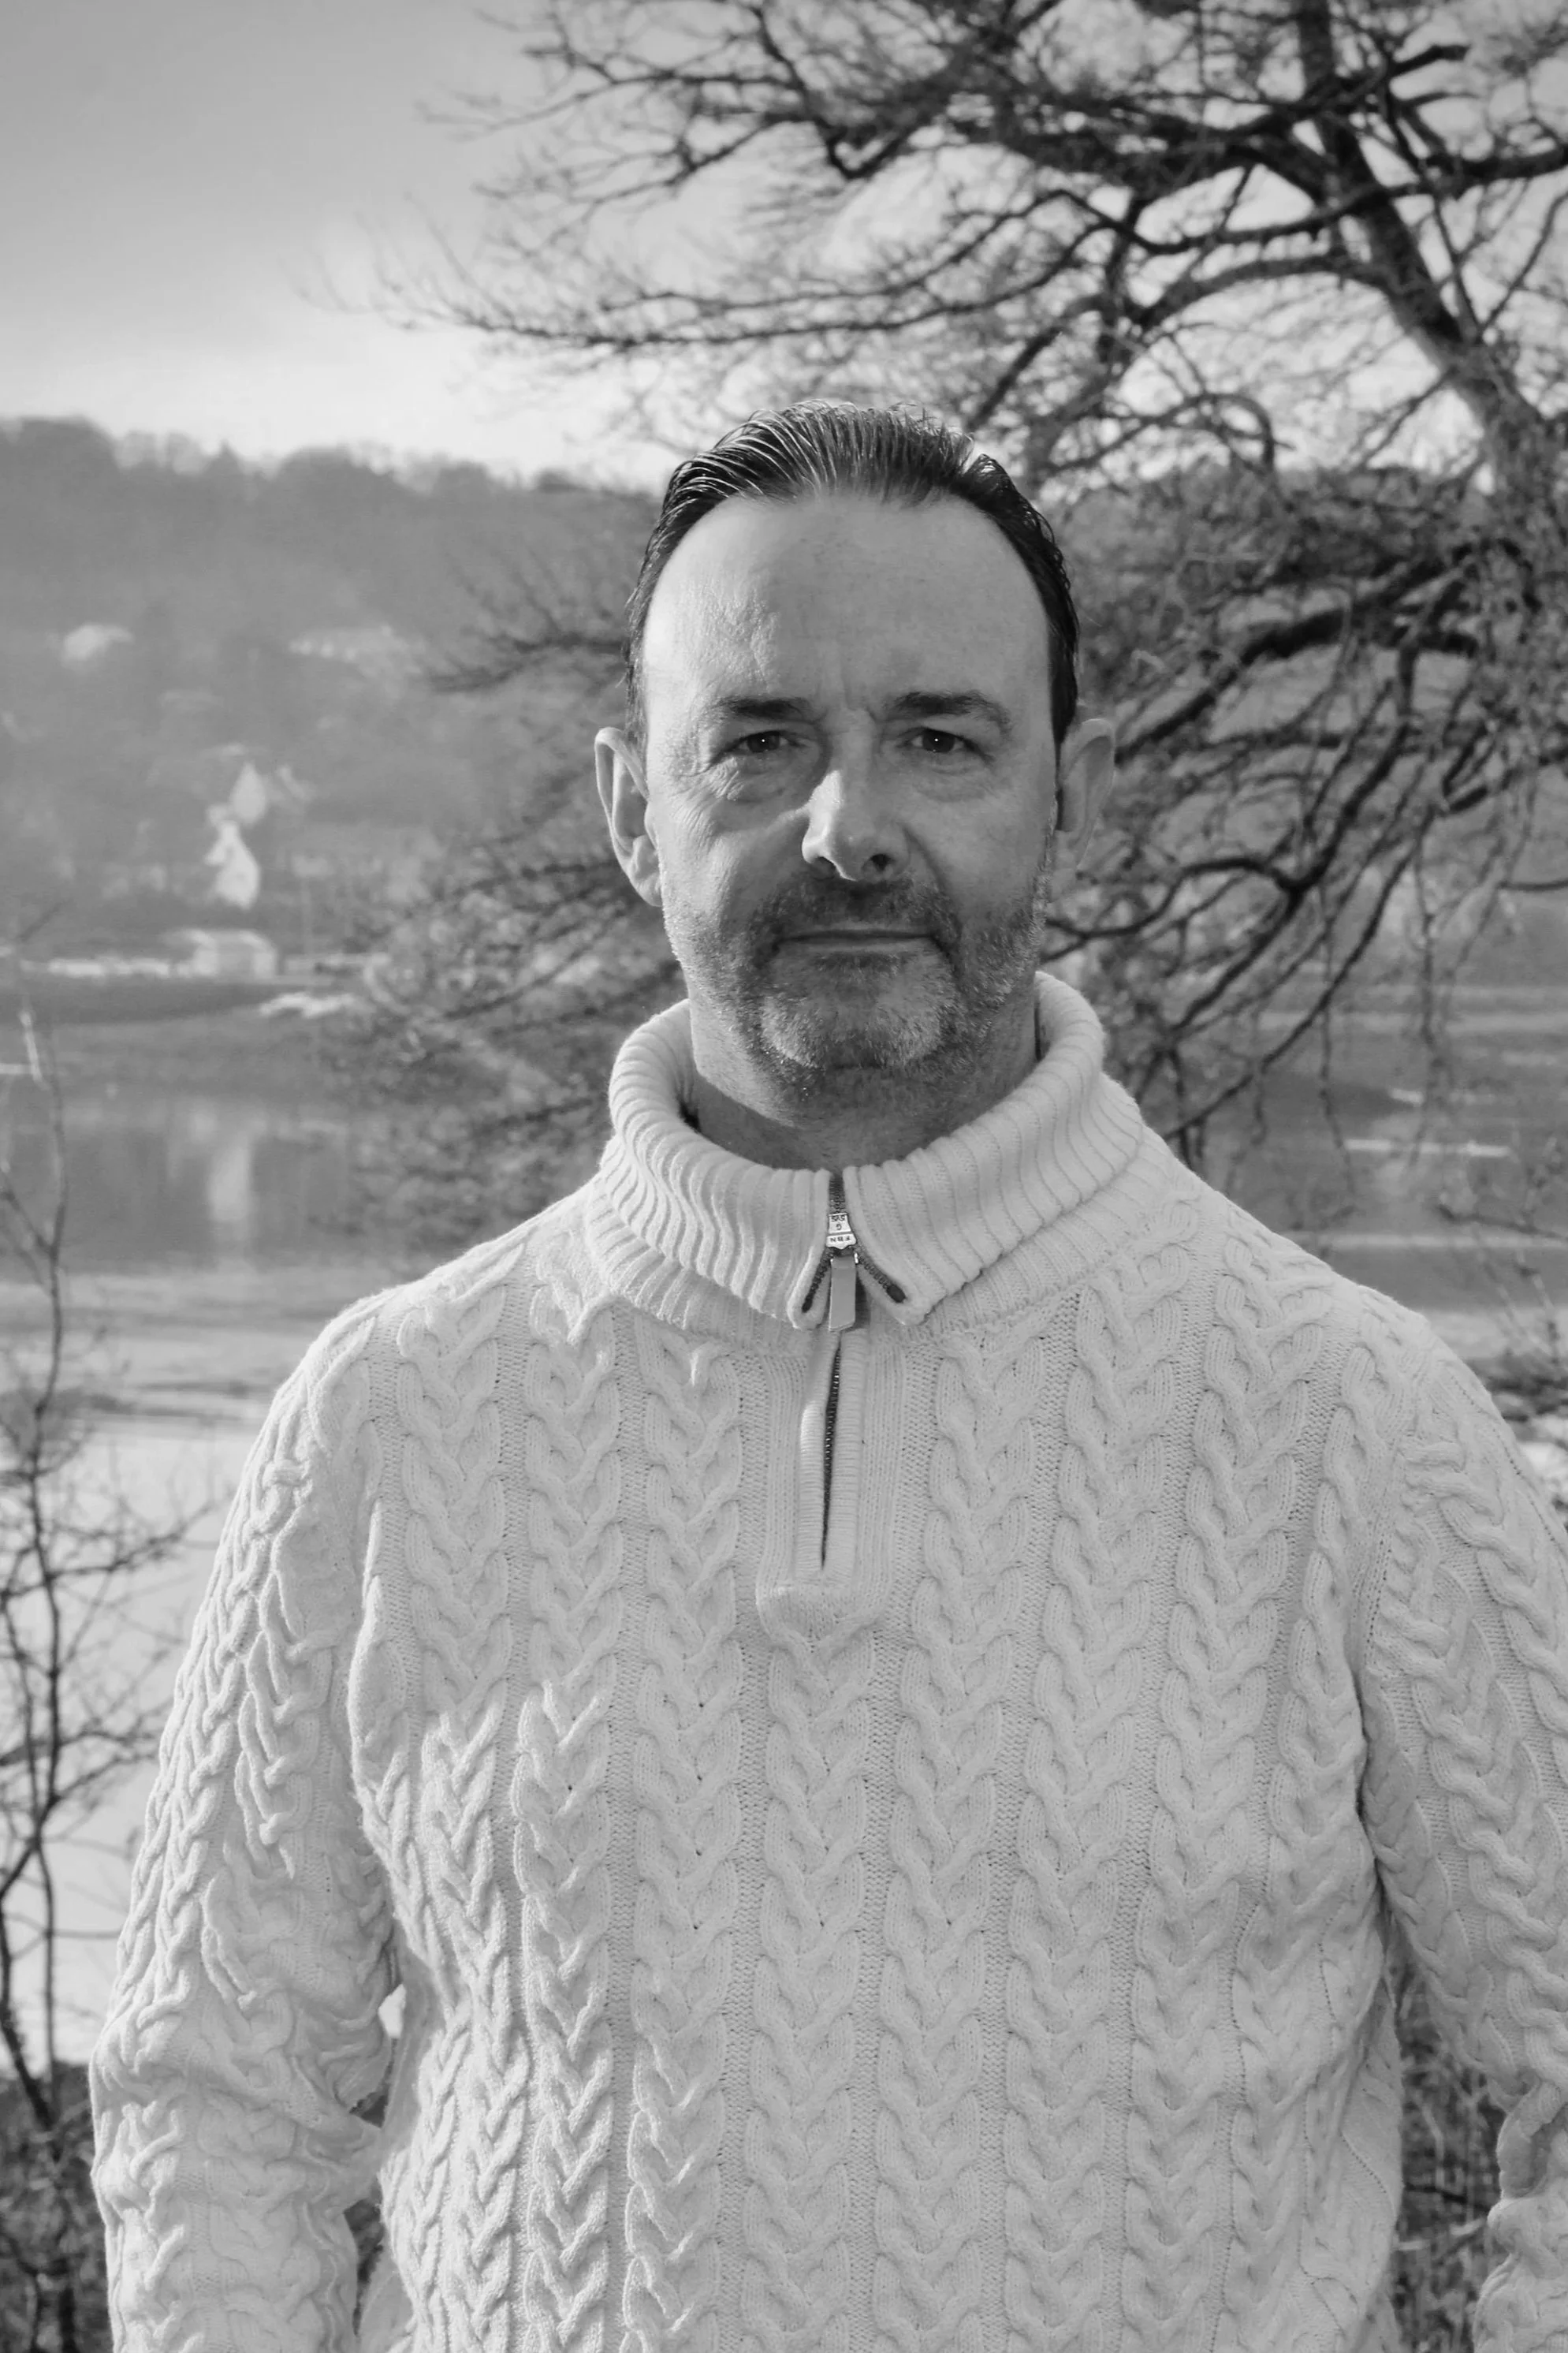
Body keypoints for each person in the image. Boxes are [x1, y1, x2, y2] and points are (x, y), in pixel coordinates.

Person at [92, 402, 1568, 2353]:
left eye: (939, 738)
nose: (846, 824)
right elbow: (219, 2101)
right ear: (635, 805)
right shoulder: (389, 1416)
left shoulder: (1352, 1424)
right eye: (761, 739)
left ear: (1069, 791)